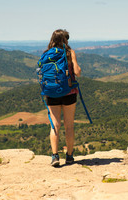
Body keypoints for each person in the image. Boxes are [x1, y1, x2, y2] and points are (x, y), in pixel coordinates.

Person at [44, 29, 81, 167]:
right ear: (65, 40)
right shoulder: (70, 53)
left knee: (55, 125)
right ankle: (70, 156)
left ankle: (55, 156)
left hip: (51, 93)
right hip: (69, 93)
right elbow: (77, 72)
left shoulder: (46, 54)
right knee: (69, 126)